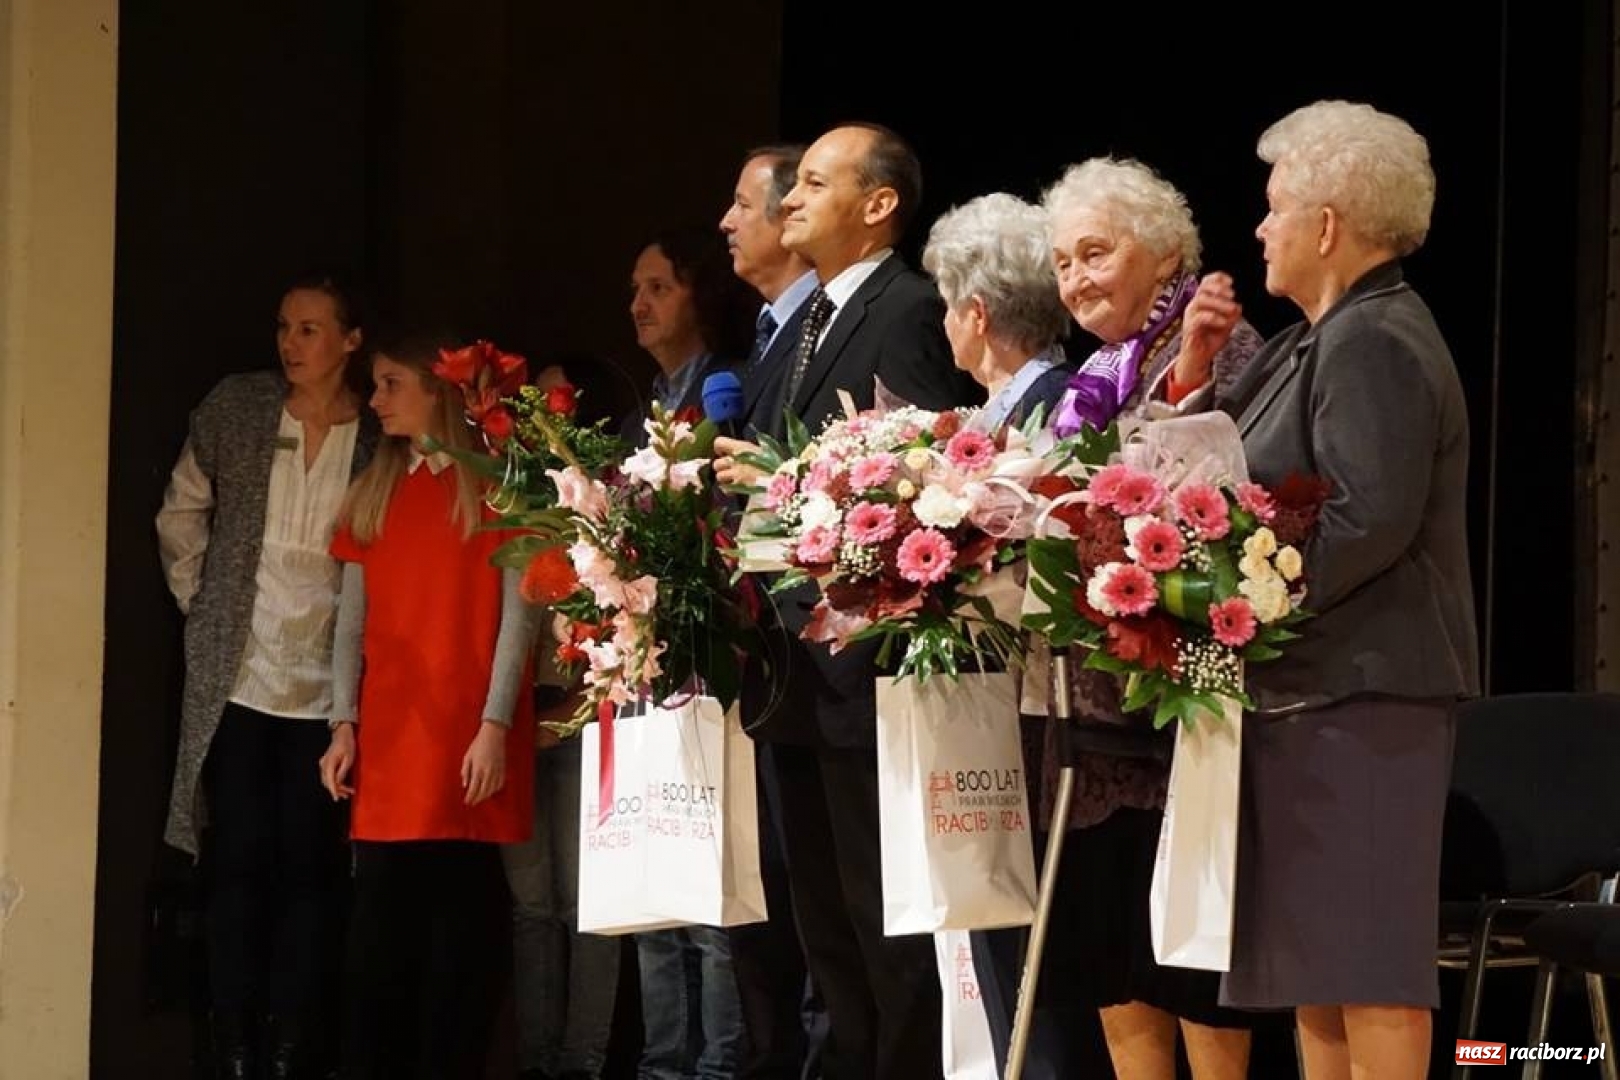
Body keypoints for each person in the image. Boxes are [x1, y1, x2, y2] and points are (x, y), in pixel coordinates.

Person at [1186, 99, 1480, 1080]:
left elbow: (1368, 520)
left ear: (1325, 225)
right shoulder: (1308, 340)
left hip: (1365, 690)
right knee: (1313, 962)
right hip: (1309, 691)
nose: (1260, 228)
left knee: (1370, 963)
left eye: (1274, 209)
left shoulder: (1375, 337)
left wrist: (1237, 606)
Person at [714, 121, 981, 1080]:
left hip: (860, 676)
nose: (789, 201)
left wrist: (781, 474)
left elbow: (909, 481)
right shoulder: (808, 319)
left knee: (883, 932)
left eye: (812, 184)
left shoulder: (906, 309)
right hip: (791, 672)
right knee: (824, 935)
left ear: (877, 207)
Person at [1014, 157, 1265, 1080]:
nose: (1076, 278)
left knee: (1184, 964)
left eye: (1096, 252)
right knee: (1112, 960)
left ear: (1163, 254)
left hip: (1174, 707)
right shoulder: (1095, 372)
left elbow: (1229, 499)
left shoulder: (1222, 340)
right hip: (1094, 714)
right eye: (1063, 261)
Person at [157, 271, 375, 1080]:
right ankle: (233, 1040)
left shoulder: (376, 433)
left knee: (312, 872)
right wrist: (204, 606)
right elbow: (181, 510)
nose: (291, 343)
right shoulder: (240, 407)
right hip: (243, 681)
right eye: (285, 327)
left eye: (311, 329)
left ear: (350, 341)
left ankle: (291, 1040)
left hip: (327, 688)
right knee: (239, 861)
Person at [318, 331, 538, 1080]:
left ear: (435, 391)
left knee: (460, 933)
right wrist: (341, 721)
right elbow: (351, 624)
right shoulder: (376, 492)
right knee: (379, 936)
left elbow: (521, 615)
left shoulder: (499, 487)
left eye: (388, 385)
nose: (374, 400)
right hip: (392, 740)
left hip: (465, 739)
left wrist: (496, 724)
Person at [621, 226, 751, 1080]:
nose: (639, 303)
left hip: (712, 657)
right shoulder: (650, 403)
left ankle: (717, 1067)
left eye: (658, 287)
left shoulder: (724, 391)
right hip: (650, 658)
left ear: (697, 296)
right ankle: (664, 1063)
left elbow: (733, 521)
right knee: (653, 880)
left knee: (707, 890)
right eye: (635, 288)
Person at [717, 144, 821, 1079]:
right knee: (757, 903)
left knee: (805, 910)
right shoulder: (763, 339)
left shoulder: (831, 327)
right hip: (761, 658)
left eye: (743, 203)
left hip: (817, 661)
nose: (727, 221)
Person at [500, 358, 623, 1080]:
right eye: (536, 403)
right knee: (531, 909)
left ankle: (582, 1063)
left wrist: (573, 714)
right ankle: (537, 1062)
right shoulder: (514, 501)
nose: (547, 416)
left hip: (587, 724)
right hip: (517, 727)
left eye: (560, 400)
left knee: (588, 910)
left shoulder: (609, 503)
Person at [919, 192, 1075, 427]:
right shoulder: (1062, 393)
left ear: (978, 314)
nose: (945, 322)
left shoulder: (1060, 412)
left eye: (949, 305)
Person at [623, 225, 754, 446]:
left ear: (703, 294)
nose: (637, 307)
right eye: (636, 290)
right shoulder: (633, 425)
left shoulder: (743, 386)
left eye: (657, 288)